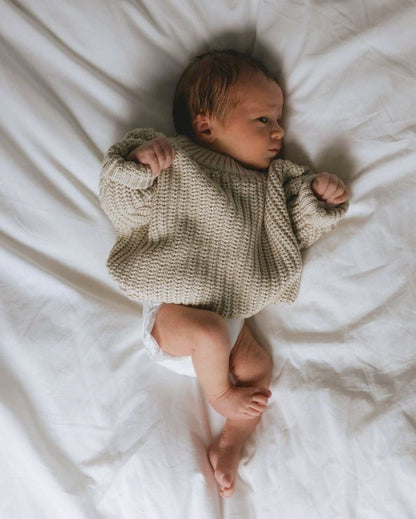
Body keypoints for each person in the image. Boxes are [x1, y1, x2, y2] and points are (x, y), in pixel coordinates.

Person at [99, 49, 350, 498]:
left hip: (232, 316)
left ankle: (232, 441)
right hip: (174, 313)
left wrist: (318, 200)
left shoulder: (272, 183)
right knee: (210, 335)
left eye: (279, 120)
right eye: (263, 120)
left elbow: (292, 230)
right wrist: (139, 166)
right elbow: (124, 206)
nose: (279, 132)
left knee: (258, 367)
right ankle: (219, 395)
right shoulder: (176, 160)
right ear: (205, 127)